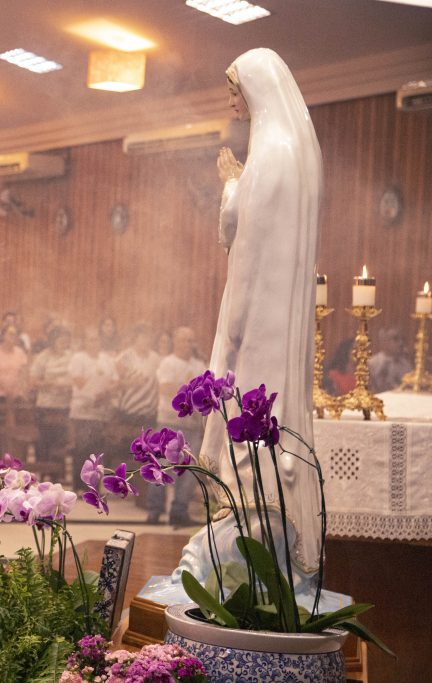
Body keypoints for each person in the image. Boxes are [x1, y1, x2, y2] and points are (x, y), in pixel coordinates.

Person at [200, 47, 324, 573]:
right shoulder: (292, 149)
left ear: (253, 89)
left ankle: (244, 554)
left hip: (259, 322)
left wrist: (232, 331)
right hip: (283, 313)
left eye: (234, 89)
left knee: (248, 435)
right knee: (271, 427)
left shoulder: (269, 152)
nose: (231, 99)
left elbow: (244, 250)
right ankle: (264, 543)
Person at [149, 327, 206, 526]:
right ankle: (154, 511)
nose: (188, 344)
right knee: (162, 467)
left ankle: (179, 510)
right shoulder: (167, 363)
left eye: (191, 340)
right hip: (169, 422)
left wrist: (187, 388)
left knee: (189, 470)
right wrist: (189, 386)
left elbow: (204, 393)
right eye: (183, 340)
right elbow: (165, 388)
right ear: (175, 342)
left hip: (191, 423)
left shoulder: (199, 365)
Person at [69, 325, 117, 485]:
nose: (94, 343)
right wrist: (96, 392)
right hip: (82, 411)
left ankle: (94, 483)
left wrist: (105, 392)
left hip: (101, 411)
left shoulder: (107, 359)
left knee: (97, 450)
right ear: (85, 342)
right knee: (82, 448)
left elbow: (114, 381)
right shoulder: (78, 358)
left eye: (96, 340)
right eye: (90, 340)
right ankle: (79, 484)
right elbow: (78, 381)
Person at [29, 325, 74, 469]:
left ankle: (58, 475)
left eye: (66, 339)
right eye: (61, 339)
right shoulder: (43, 356)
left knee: (60, 443)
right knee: (44, 441)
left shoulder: (71, 356)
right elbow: (33, 381)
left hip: (64, 406)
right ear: (53, 340)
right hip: (46, 406)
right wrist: (51, 384)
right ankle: (42, 474)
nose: (64, 342)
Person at [0, 324, 29, 402]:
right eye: (10, 334)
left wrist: (17, 389)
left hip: (16, 394)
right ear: (3, 335)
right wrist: (7, 389)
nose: (13, 336)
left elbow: (23, 374)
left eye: (16, 334)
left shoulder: (20, 352)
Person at [368, 327, 412, 393]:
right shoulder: (372, 363)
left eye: (402, 339)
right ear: (384, 341)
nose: (401, 343)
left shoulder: (406, 365)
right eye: (395, 339)